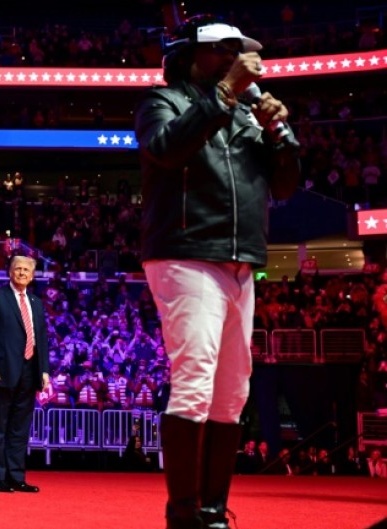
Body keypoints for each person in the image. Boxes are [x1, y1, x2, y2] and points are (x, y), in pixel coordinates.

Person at [135, 15, 299, 529]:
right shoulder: (164, 102)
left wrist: (280, 133)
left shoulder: (250, 111)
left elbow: (287, 185)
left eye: (239, 50)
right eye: (221, 50)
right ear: (190, 56)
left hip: (241, 260)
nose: (233, 58)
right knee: (194, 381)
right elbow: (165, 149)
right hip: (185, 252)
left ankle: (212, 510)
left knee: (233, 391)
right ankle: (183, 513)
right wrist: (226, 94)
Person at [0, 254, 50, 493]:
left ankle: (16, 476)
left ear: (32, 275)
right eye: (17, 269)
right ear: (9, 272)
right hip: (2, 370)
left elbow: (41, 338)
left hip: (30, 371)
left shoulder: (36, 303)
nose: (21, 273)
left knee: (20, 427)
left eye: (26, 270)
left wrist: (44, 370)